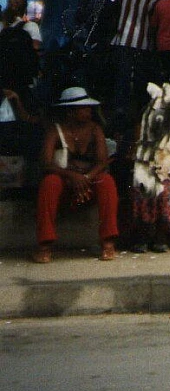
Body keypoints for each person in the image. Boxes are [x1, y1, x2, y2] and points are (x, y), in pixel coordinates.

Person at [34, 87, 119, 263]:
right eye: (83, 108)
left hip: (88, 182)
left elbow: (102, 161)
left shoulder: (95, 129)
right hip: (64, 182)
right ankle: (45, 246)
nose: (88, 111)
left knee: (106, 181)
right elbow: (46, 163)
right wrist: (72, 176)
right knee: (50, 182)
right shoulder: (55, 130)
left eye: (88, 108)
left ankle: (108, 243)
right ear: (70, 112)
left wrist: (85, 178)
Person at [109, 0, 163, 136]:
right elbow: (154, 19)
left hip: (122, 39)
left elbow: (116, 11)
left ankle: (120, 110)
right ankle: (139, 114)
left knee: (121, 77)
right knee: (140, 79)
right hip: (142, 42)